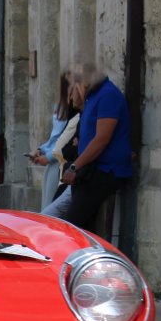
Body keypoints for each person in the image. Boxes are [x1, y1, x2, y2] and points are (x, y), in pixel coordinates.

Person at [41, 62, 133, 232]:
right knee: (74, 224)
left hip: (104, 172)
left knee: (72, 225)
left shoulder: (108, 95)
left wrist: (76, 166)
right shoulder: (93, 98)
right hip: (88, 172)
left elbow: (101, 139)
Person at [29, 68, 82, 212]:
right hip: (57, 161)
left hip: (60, 162)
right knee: (49, 207)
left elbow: (58, 140)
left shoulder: (72, 110)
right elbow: (57, 138)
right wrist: (43, 151)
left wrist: (45, 153)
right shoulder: (65, 109)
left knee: (50, 207)